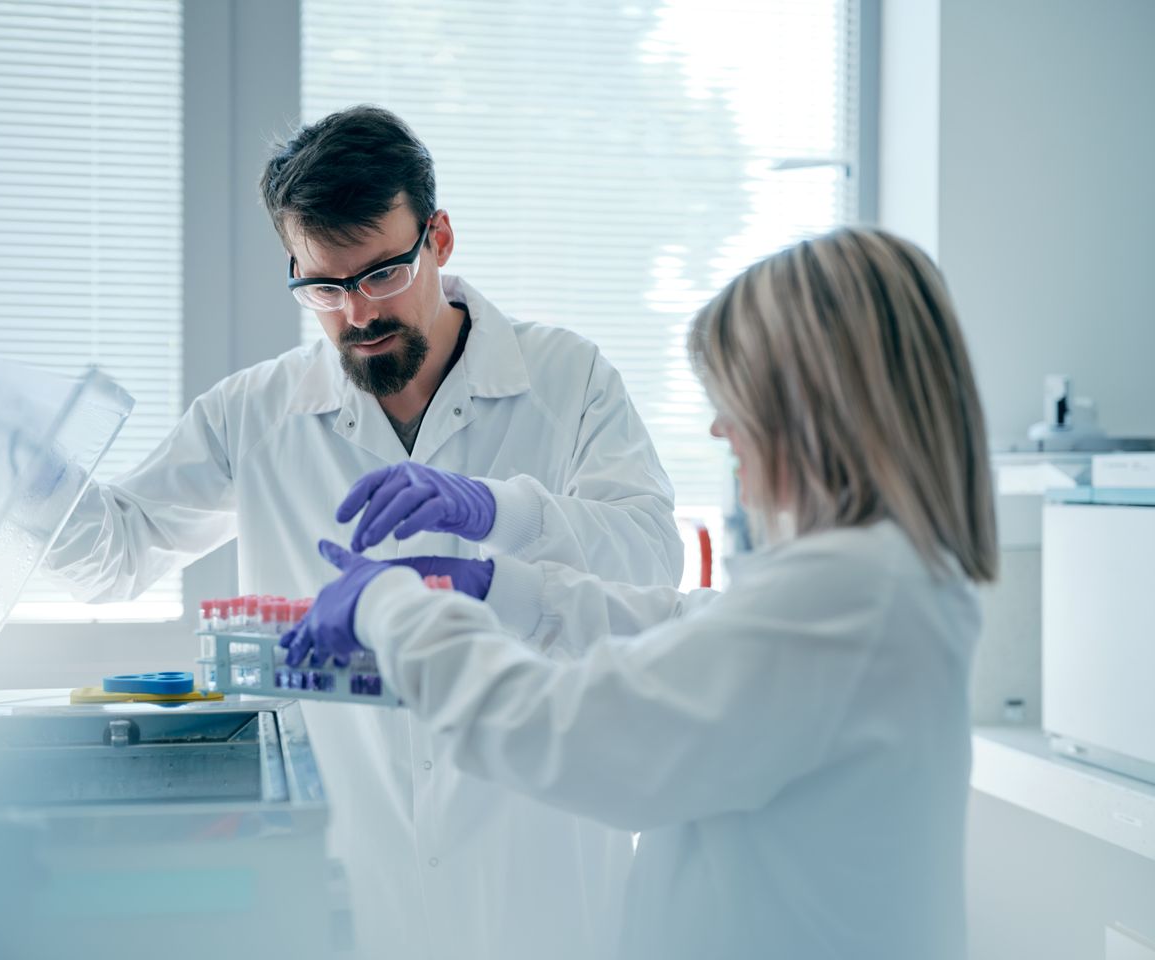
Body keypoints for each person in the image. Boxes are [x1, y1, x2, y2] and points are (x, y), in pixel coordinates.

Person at [44, 105, 683, 960]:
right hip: (351, 887)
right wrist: (29, 476)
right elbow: (113, 559)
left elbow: (651, 558)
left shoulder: (567, 378)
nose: (356, 314)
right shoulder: (255, 412)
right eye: (324, 287)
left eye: (382, 274)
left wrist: (501, 508)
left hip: (543, 877)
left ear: (438, 238)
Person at [287, 226, 998, 959]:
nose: (720, 429)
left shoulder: (851, 595)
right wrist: (505, 589)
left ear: (817, 407)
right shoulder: (882, 579)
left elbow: (572, 735)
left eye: (739, 399)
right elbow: (694, 628)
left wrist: (393, 610)